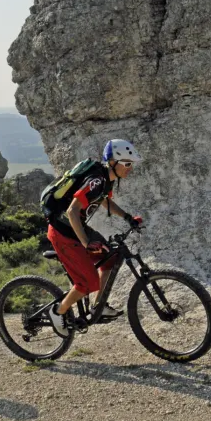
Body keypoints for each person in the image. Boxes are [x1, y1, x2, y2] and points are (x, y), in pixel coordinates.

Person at [46, 140, 143, 338]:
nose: (130, 168)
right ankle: (58, 311)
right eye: (127, 163)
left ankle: (98, 306)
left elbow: (105, 201)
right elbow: (73, 211)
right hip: (63, 232)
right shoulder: (97, 180)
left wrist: (127, 217)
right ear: (114, 162)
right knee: (88, 283)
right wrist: (86, 243)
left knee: (112, 259)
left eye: (131, 164)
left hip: (76, 228)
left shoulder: (106, 180)